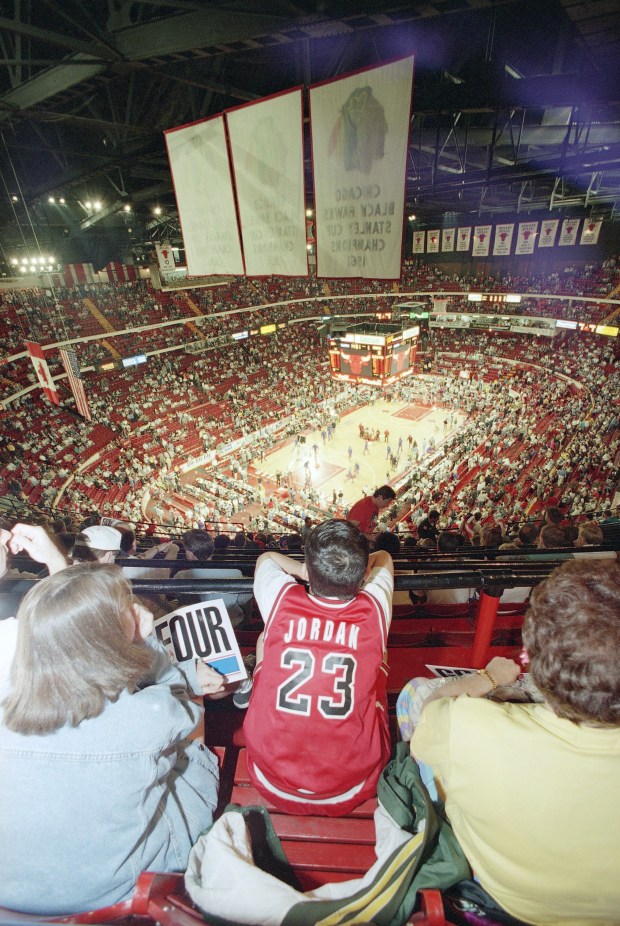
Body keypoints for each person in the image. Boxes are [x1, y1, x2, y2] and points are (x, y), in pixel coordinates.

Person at [400, 559, 620, 924]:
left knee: (414, 695)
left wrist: (488, 677)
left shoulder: (469, 726)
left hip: (499, 900)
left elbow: (431, 708)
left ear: (531, 656)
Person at [0, 563, 220, 915]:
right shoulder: (146, 716)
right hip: (108, 894)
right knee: (192, 748)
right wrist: (148, 642)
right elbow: (181, 705)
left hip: (11, 893)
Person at [243, 519, 394, 815]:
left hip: (269, 776)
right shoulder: (373, 608)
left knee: (265, 640)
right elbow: (385, 559)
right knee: (380, 660)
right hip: (350, 785)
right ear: (364, 573)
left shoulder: (282, 598)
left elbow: (266, 558)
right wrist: (357, 568)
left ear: (309, 571)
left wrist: (301, 570)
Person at [173, 528, 252, 626]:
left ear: (191, 553)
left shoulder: (181, 576)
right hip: (232, 627)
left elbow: (173, 596)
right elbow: (243, 600)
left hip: (194, 629)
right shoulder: (235, 574)